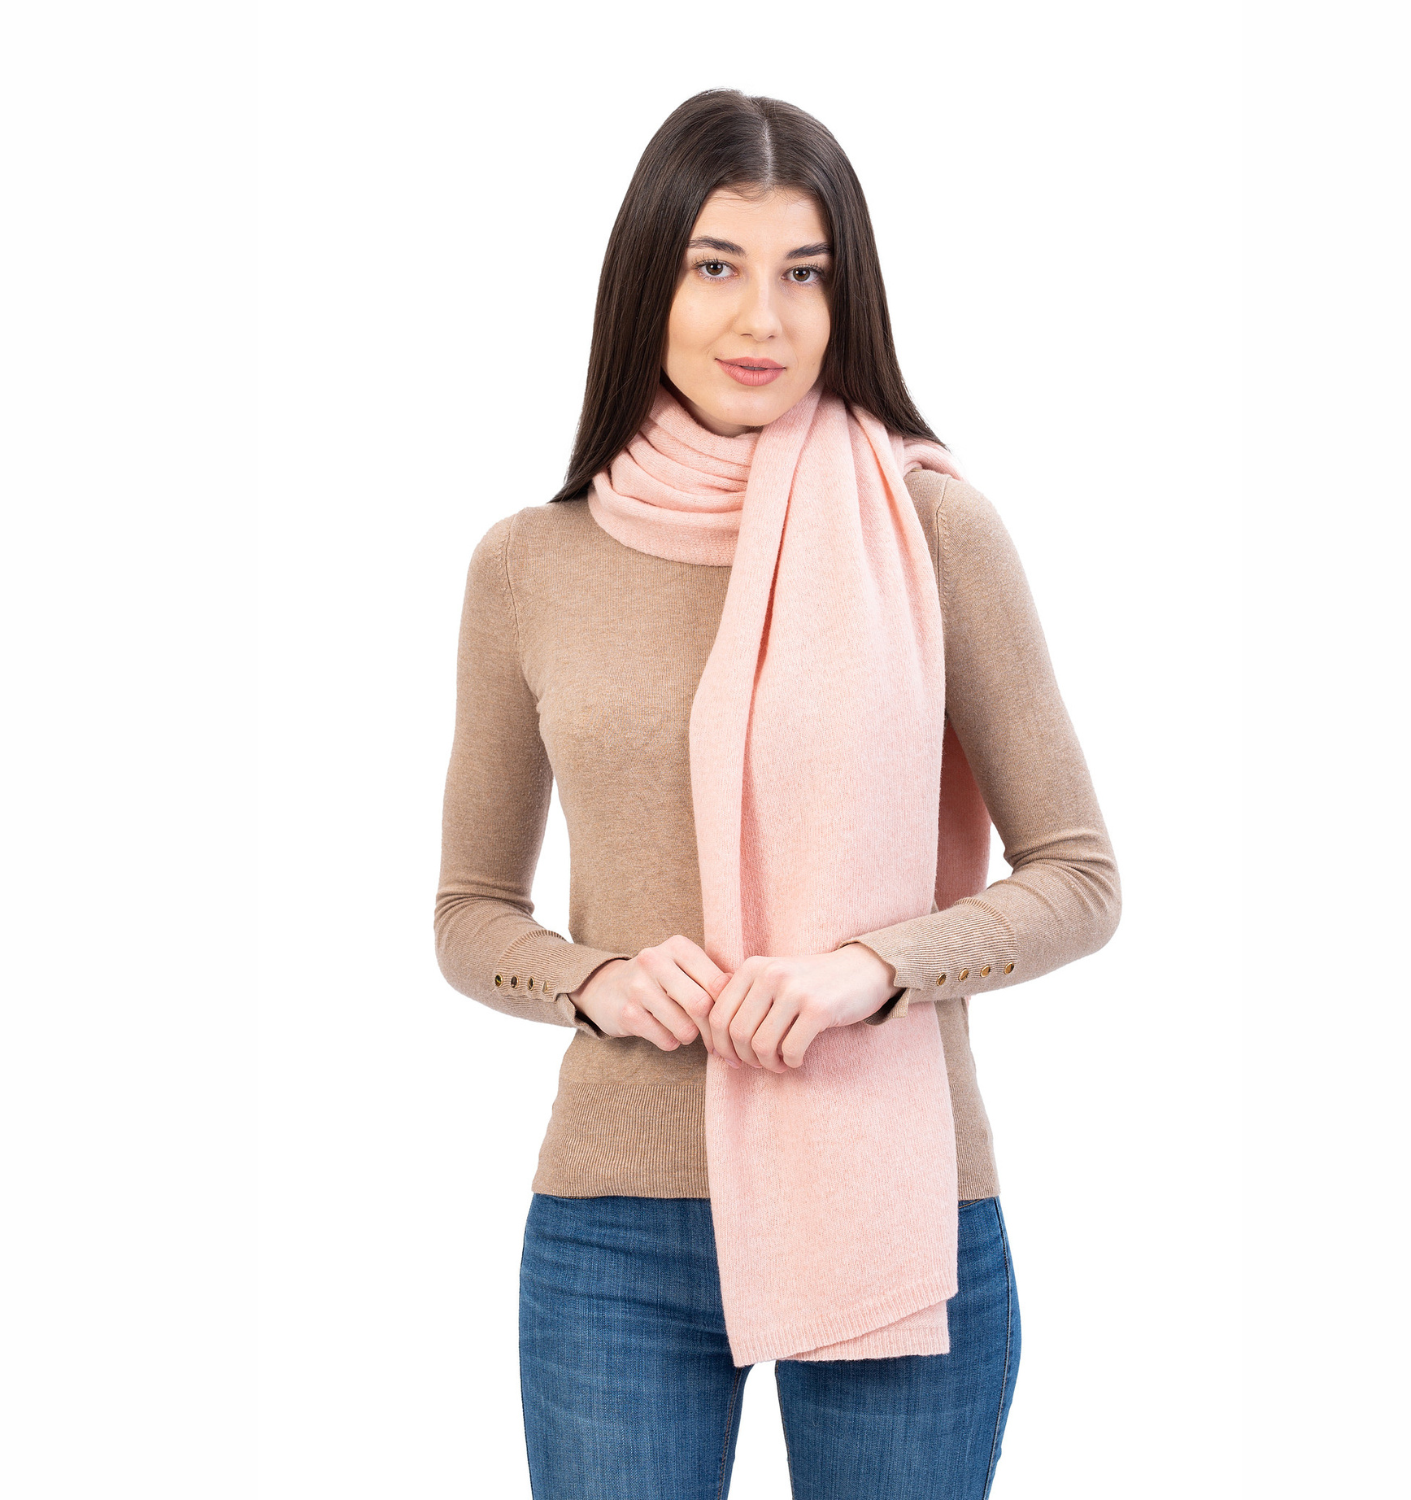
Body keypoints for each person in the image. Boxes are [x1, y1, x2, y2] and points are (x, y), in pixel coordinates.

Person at [434, 88, 1121, 1500]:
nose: (764, 319)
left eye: (805, 273)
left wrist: (875, 969)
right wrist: (594, 980)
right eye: (717, 266)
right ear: (649, 280)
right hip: (616, 1235)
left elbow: (1079, 877)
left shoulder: (932, 528)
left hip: (896, 1208)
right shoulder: (528, 566)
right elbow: (468, 913)